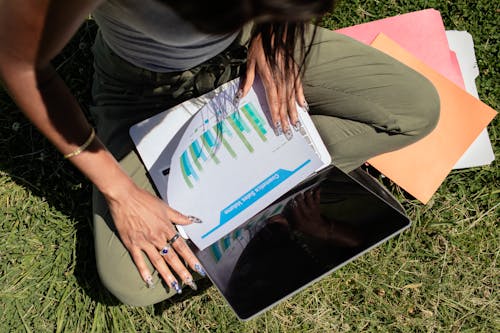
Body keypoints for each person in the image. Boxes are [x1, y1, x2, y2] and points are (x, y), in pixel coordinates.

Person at [0, 0, 439, 306]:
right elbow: (15, 59)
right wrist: (121, 193)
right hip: (143, 90)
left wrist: (276, 32)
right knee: (132, 282)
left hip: (251, 50)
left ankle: (258, 180)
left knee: (415, 110)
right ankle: (265, 181)